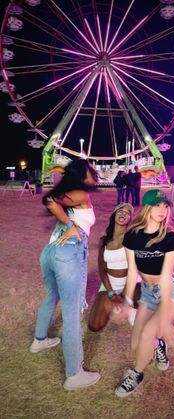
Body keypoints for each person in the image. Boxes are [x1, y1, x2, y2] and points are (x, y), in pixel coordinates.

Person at [30, 158, 101, 391]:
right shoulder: (81, 194)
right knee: (71, 313)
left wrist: (67, 221)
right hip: (68, 252)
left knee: (52, 296)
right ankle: (74, 374)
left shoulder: (71, 193)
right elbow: (48, 200)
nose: (95, 173)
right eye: (91, 170)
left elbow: (49, 200)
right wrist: (70, 223)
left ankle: (39, 341)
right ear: (83, 175)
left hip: (49, 252)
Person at [114, 189, 174, 397]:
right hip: (147, 292)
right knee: (136, 344)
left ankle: (136, 374)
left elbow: (165, 277)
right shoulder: (132, 236)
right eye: (157, 205)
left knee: (148, 333)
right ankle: (159, 345)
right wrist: (128, 302)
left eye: (165, 206)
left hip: (170, 292)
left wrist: (164, 319)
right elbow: (131, 272)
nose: (162, 210)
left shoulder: (171, 238)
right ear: (147, 208)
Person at [88, 203, 141, 332]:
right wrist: (111, 292)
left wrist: (124, 293)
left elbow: (135, 268)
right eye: (120, 211)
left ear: (130, 219)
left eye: (127, 213)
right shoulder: (103, 241)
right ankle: (115, 306)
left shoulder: (132, 237)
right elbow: (102, 269)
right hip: (109, 285)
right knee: (94, 326)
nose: (123, 214)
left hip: (131, 284)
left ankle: (126, 307)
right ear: (114, 215)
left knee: (143, 319)